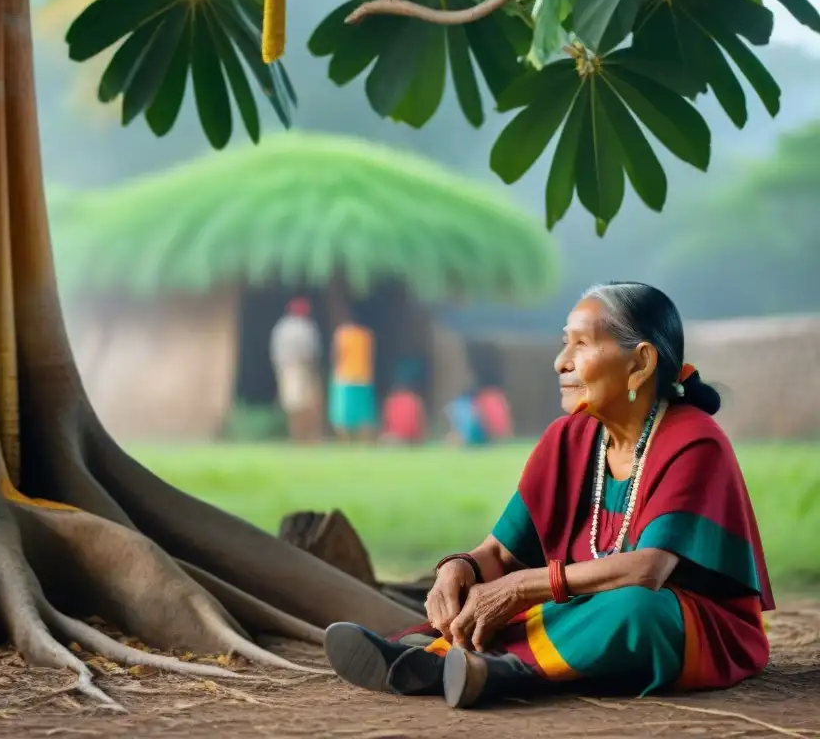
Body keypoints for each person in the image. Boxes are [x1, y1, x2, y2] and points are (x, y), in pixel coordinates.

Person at [323, 282, 773, 709]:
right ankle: (450, 660)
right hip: (583, 605)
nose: (561, 361)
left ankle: (489, 668)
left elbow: (649, 570)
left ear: (640, 363)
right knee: (501, 593)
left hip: (689, 624)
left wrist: (520, 587)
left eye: (581, 344)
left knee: (634, 610)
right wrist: (458, 568)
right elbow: (500, 550)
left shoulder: (694, 441)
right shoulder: (567, 439)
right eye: (564, 342)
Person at [269, 297, 322, 443]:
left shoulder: (281, 327)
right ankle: (306, 436)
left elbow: (275, 351)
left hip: (286, 369)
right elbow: (312, 352)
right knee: (306, 404)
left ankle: (296, 435)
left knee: (292, 405)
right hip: (303, 368)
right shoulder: (306, 327)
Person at [329, 316, 376, 441]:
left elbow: (336, 355)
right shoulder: (366, 335)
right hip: (363, 377)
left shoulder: (341, 334)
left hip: (345, 377)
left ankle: (346, 441)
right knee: (363, 414)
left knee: (341, 415)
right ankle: (363, 442)